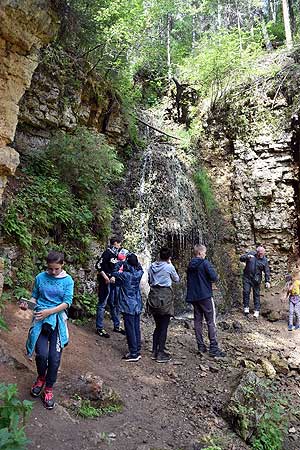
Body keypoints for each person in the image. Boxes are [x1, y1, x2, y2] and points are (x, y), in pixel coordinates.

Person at [19, 251, 74, 410]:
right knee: (42, 355)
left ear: (62, 265)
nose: (53, 272)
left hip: (56, 321)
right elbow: (35, 297)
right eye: (50, 269)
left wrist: (49, 312)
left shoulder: (68, 280)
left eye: (56, 269)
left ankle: (49, 388)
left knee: (54, 358)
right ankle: (41, 378)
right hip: (40, 320)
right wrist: (27, 304)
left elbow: (67, 302)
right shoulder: (40, 277)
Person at [186, 244, 225, 358]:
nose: (205, 254)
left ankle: (201, 346)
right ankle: (213, 347)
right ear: (200, 253)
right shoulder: (205, 263)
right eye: (204, 252)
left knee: (197, 321)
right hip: (205, 296)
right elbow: (214, 277)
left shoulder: (190, 264)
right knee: (211, 321)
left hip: (194, 297)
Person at [147, 247, 179, 363]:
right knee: (164, 325)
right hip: (165, 295)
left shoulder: (151, 266)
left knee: (158, 325)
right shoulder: (169, 267)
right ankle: (160, 353)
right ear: (169, 257)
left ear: (159, 255)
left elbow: (149, 281)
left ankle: (154, 349)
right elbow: (176, 279)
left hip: (153, 295)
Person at [110, 254, 144, 362]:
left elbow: (113, 272)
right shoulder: (139, 273)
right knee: (136, 327)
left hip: (128, 304)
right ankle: (137, 349)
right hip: (137, 303)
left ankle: (133, 353)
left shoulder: (125, 275)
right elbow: (140, 267)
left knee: (129, 329)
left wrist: (121, 263)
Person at [95, 237, 125, 337]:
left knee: (114, 303)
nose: (120, 246)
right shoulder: (107, 253)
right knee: (102, 304)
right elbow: (98, 265)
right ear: (115, 243)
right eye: (119, 244)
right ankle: (99, 328)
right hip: (105, 282)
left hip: (113, 281)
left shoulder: (117, 254)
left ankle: (117, 325)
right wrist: (105, 277)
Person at [240, 246, 271, 318]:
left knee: (256, 294)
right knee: (246, 291)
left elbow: (267, 271)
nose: (261, 255)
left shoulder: (264, 260)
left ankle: (256, 310)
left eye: (263, 254)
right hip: (247, 277)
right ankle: (246, 308)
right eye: (260, 253)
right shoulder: (251, 254)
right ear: (257, 252)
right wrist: (247, 257)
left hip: (256, 280)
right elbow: (241, 258)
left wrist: (267, 281)